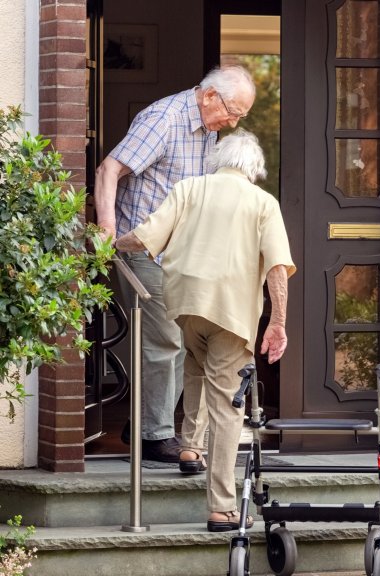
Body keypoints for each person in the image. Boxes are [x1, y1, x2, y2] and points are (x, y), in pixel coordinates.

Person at [114, 129, 295, 532]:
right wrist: (278, 323)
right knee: (228, 409)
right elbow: (277, 268)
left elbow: (144, 239)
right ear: (254, 170)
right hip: (230, 312)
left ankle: (191, 448)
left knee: (197, 368)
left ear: (219, 160)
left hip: (185, 304)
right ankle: (222, 506)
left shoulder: (188, 188)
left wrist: (107, 240)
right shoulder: (263, 202)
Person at [94, 65, 256, 464]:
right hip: (144, 249)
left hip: (181, 254)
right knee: (166, 340)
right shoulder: (164, 120)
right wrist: (107, 227)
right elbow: (109, 168)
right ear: (209, 96)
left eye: (240, 117)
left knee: (184, 340)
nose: (234, 122)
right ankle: (154, 436)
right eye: (233, 111)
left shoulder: (209, 128)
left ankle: (146, 423)